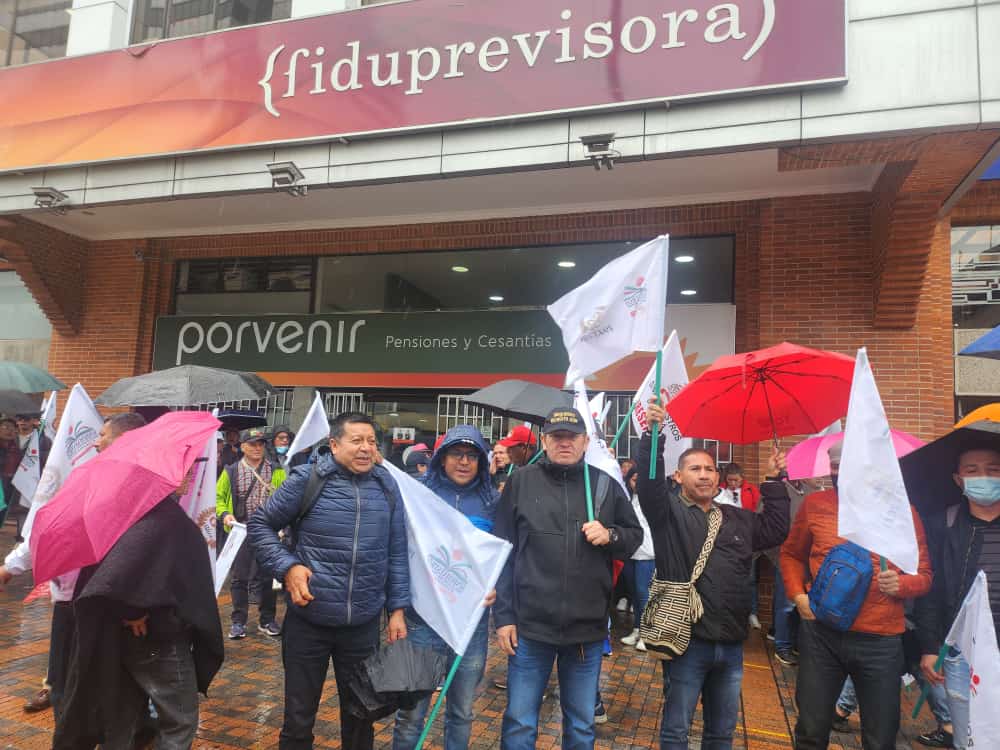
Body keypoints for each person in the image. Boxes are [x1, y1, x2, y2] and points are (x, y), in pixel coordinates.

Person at [249, 411, 410, 750]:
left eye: (371, 441)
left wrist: (397, 608)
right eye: (357, 440)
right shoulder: (306, 480)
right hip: (309, 622)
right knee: (298, 718)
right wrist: (287, 567)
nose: (366, 448)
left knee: (361, 719)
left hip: (363, 626)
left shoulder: (386, 486)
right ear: (334, 444)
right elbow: (260, 525)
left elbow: (396, 550)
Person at [637, 398, 791, 750]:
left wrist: (773, 481)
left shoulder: (736, 517)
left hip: (732, 645)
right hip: (687, 645)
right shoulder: (667, 514)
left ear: (718, 477)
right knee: (677, 730)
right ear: (678, 477)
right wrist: (653, 435)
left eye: (709, 469)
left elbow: (776, 530)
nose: (704, 474)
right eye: (695, 469)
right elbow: (648, 485)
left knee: (721, 733)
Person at [494, 407, 642, 750]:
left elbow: (633, 536)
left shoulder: (604, 484)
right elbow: (502, 553)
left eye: (572, 436)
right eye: (556, 436)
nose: (564, 443)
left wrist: (611, 535)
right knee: (519, 723)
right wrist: (503, 617)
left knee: (580, 726)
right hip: (530, 628)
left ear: (585, 441)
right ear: (544, 441)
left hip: (585, 633)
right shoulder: (520, 480)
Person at [53, 465, 224, 750]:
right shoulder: (163, 518)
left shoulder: (131, 510)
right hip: (157, 636)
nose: (190, 476)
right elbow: (118, 572)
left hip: (121, 638)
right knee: (179, 721)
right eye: (183, 469)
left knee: (123, 720)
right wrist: (131, 609)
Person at [781, 441, 932, 750]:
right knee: (810, 729)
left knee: (880, 736)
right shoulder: (814, 504)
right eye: (835, 467)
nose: (840, 473)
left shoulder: (903, 513)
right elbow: (791, 555)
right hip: (822, 635)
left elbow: (925, 576)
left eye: (848, 466)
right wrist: (798, 596)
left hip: (881, 641)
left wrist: (902, 585)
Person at [1, 411, 147, 718]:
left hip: (97, 603)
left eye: (103, 435)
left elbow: (140, 553)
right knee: (75, 684)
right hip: (86, 601)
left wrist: (11, 566)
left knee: (81, 686)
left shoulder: (129, 485)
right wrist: (12, 565)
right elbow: (53, 528)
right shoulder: (101, 478)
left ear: (124, 439)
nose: (96, 442)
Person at [393, 425, 499, 750]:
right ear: (442, 458)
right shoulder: (417, 495)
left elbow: (505, 556)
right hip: (420, 622)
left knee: (462, 712)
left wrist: (498, 588)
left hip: (471, 628)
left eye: (471, 456)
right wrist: (395, 608)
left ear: (481, 461)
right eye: (456, 454)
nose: (464, 462)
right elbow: (397, 550)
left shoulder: (494, 503)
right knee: (411, 713)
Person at [914, 444, 1000, 750]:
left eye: (993, 469)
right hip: (961, 654)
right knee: (968, 738)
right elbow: (930, 592)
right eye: (972, 471)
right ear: (958, 479)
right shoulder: (941, 524)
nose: (985, 477)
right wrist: (928, 647)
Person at [216, 426, 287, 639]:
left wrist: (282, 523)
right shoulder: (231, 470)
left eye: (261, 444)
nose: (257, 448)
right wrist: (226, 514)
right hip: (240, 531)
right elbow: (219, 498)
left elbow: (285, 500)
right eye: (252, 444)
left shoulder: (276, 471)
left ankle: (267, 619)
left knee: (269, 577)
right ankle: (238, 621)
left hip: (268, 531)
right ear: (243, 446)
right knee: (239, 578)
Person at [620, 467, 654, 652]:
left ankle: (647, 633)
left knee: (643, 594)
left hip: (647, 553)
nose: (637, 484)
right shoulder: (629, 499)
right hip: (630, 552)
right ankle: (637, 629)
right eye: (633, 480)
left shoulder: (652, 500)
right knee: (634, 593)